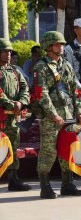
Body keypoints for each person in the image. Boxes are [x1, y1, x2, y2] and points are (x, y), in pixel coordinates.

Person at [33, 31, 81, 199]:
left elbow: (74, 91)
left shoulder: (66, 65)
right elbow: (41, 93)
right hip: (51, 117)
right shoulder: (41, 67)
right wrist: (53, 114)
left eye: (62, 44)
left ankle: (67, 184)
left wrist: (79, 111)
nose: (61, 47)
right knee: (49, 151)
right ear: (48, 46)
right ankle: (45, 186)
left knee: (67, 148)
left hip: (68, 114)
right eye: (57, 44)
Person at [0, 38, 30, 191]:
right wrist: (11, 104)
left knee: (13, 147)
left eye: (10, 51)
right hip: (1, 117)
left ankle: (13, 179)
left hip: (13, 118)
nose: (8, 53)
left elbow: (25, 88)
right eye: (5, 51)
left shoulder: (14, 70)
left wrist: (21, 102)